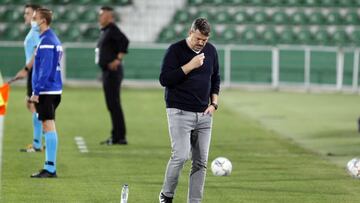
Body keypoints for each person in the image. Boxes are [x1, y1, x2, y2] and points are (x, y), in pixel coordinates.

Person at [158, 18, 220, 203]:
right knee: (181, 156)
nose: (201, 43)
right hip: (179, 112)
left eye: (205, 40)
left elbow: (215, 79)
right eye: (199, 38)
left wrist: (214, 104)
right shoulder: (175, 50)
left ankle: (194, 200)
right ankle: (166, 195)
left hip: (204, 114)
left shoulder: (211, 51)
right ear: (191, 31)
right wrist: (190, 66)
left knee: (200, 163)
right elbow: (164, 79)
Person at [29, 8, 63, 178]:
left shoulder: (48, 40)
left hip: (48, 90)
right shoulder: (50, 38)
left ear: (43, 21)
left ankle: (50, 168)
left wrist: (37, 90)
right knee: (46, 124)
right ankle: (49, 166)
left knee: (48, 125)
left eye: (35, 18)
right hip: (52, 88)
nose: (32, 21)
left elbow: (45, 69)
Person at [96, 6, 129, 145]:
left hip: (113, 72)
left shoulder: (112, 29)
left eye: (102, 15)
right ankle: (116, 134)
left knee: (114, 104)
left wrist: (118, 60)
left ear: (109, 16)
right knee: (112, 104)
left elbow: (125, 41)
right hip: (107, 72)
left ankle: (119, 137)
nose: (100, 17)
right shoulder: (106, 31)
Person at [13, 4, 43, 153]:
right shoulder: (34, 30)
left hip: (34, 71)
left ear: (35, 15)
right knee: (31, 104)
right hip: (33, 71)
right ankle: (41, 136)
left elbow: (37, 52)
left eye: (28, 13)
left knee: (33, 105)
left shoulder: (37, 31)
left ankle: (38, 143)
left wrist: (26, 69)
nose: (25, 16)